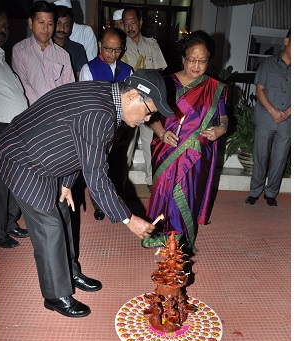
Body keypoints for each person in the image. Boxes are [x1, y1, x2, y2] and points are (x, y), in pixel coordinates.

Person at [0, 68, 175, 318]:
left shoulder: (107, 95)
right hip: (21, 157)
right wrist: (128, 219)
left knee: (64, 213)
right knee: (49, 226)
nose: (147, 119)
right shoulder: (100, 113)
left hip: (44, 155)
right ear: (132, 96)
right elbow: (97, 177)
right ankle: (56, 295)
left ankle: (70, 271)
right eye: (149, 110)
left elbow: (76, 140)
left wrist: (66, 183)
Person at [145, 30, 228, 249]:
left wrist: (220, 129)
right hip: (167, 148)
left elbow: (223, 117)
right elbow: (151, 116)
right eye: (192, 59)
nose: (197, 65)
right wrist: (161, 132)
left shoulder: (214, 88)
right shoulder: (166, 83)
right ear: (183, 58)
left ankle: (181, 241)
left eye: (203, 61)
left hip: (196, 153)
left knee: (188, 194)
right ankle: (161, 235)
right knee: (166, 192)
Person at [79, 27, 134, 221]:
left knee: (118, 166)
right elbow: (86, 103)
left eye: (118, 50)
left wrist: (122, 128)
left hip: (121, 128)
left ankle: (116, 202)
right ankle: (99, 206)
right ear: (100, 45)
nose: (113, 54)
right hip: (97, 129)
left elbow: (131, 103)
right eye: (109, 49)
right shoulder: (89, 69)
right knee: (99, 167)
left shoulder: (127, 70)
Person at [0, 8, 30, 248]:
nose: (2, 28)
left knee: (13, 180)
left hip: (12, 127)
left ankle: (9, 222)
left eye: (5, 25)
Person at [122, 7, 168, 192]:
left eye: (133, 22)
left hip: (149, 103)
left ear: (140, 22)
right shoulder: (121, 45)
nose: (129, 26)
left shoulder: (151, 44)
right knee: (127, 143)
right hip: (130, 103)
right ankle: (122, 180)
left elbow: (160, 69)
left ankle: (151, 180)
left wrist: (142, 77)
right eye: (125, 23)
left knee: (150, 142)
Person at [245, 29, 291, 207]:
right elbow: (259, 90)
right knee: (261, 156)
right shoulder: (268, 63)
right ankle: (255, 191)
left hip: (287, 121)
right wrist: (273, 111)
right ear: (286, 41)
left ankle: (271, 193)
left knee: (280, 159)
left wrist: (286, 113)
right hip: (266, 117)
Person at [12, 1, 74, 105]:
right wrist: (44, 110)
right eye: (41, 22)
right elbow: (24, 87)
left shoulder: (63, 55)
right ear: (31, 23)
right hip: (33, 113)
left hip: (60, 114)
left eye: (50, 24)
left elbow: (69, 89)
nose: (45, 29)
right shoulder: (20, 50)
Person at [53, 4, 88, 80]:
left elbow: (82, 76)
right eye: (59, 23)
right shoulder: (45, 46)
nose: (62, 28)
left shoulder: (77, 48)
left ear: (70, 27)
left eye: (66, 25)